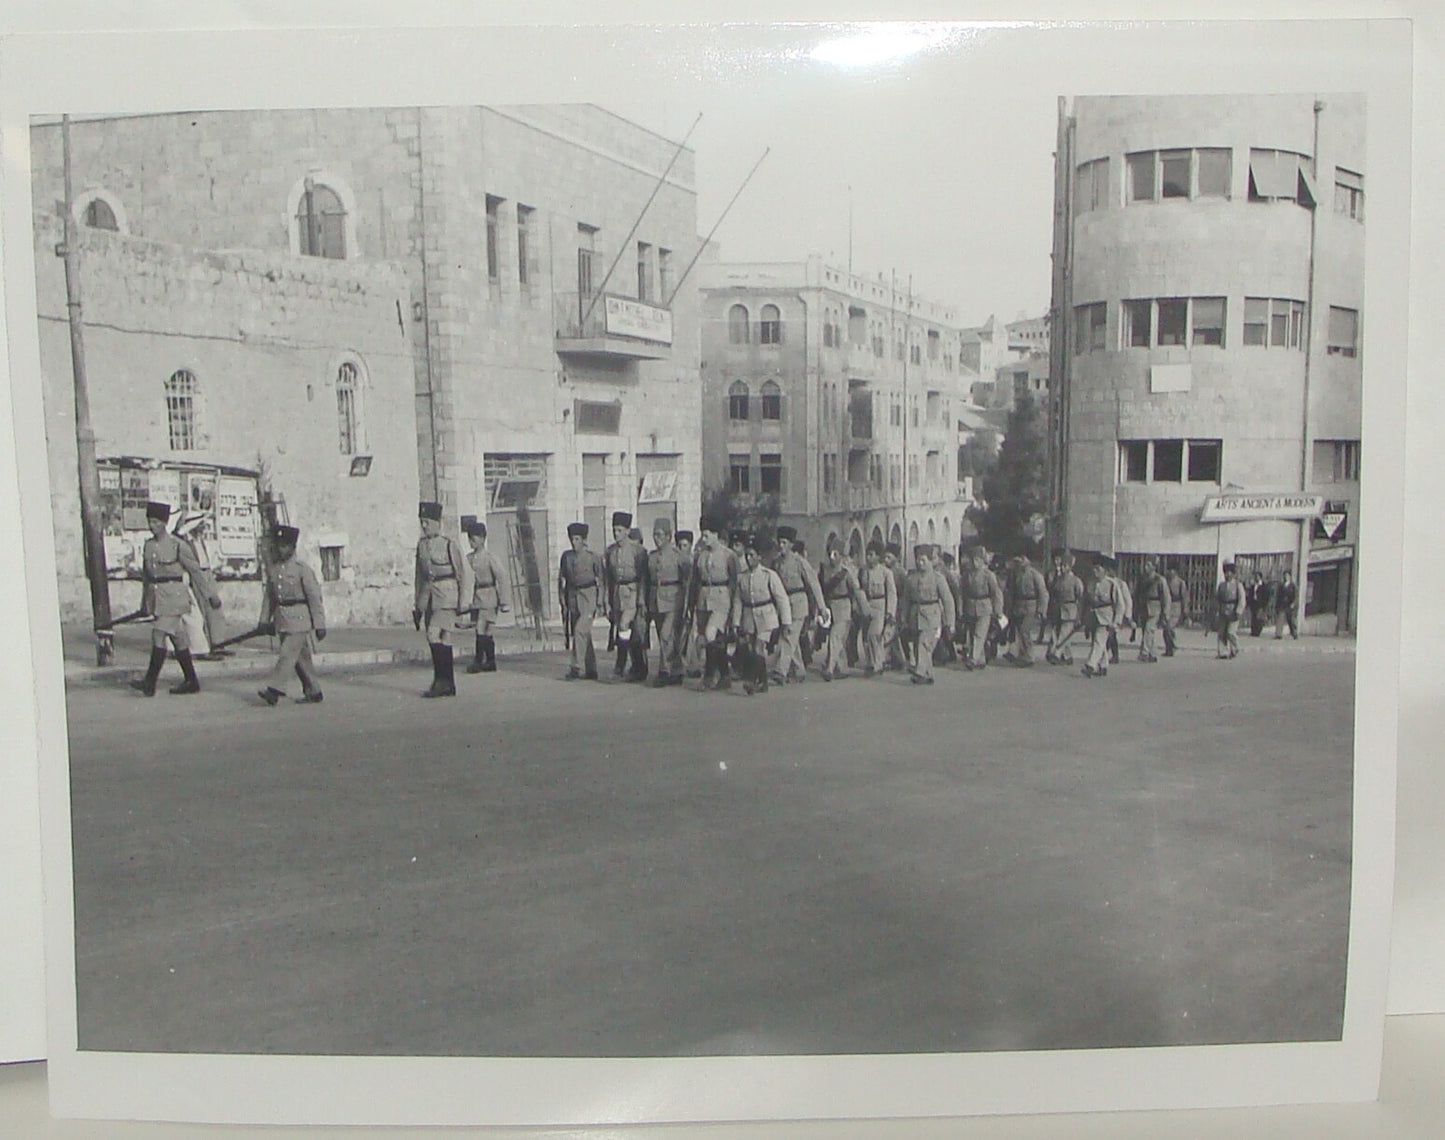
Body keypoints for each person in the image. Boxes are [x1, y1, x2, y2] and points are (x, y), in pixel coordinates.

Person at [132, 500, 220, 696]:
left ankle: (150, 682)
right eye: (149, 522)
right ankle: (191, 680)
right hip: (158, 598)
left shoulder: (177, 545)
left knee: (158, 634)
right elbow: (147, 578)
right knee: (178, 639)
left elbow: (195, 571)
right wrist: (145, 604)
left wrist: (210, 596)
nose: (151, 526)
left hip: (174, 597)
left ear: (164, 523)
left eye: (155, 522)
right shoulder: (148, 546)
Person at [257, 524, 327, 706]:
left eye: (284, 545)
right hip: (282, 619)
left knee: (287, 654)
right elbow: (270, 598)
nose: (280, 549)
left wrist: (320, 624)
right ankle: (314, 690)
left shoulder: (302, 570)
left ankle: (274, 690)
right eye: (278, 545)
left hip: (300, 620)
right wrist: (264, 620)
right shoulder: (275, 570)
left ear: (293, 547)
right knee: (300, 659)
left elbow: (314, 598)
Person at [414, 500, 472, 698]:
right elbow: (419, 578)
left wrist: (464, 602)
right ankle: (447, 682)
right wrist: (418, 607)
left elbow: (464, 572)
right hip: (429, 597)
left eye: (427, 522)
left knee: (433, 634)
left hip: (447, 596)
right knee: (444, 638)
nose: (424, 526)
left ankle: (441, 681)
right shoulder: (421, 546)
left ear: (437, 523)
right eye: (422, 522)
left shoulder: (449, 545)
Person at [731, 535, 792, 695]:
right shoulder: (742, 578)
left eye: (752, 555)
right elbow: (738, 600)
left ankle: (751, 681)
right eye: (747, 555)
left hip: (767, 617)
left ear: (759, 556)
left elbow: (782, 598)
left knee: (759, 647)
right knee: (753, 649)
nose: (749, 558)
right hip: (749, 617)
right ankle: (763, 682)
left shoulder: (768, 575)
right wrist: (736, 622)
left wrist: (786, 622)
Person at [769, 525, 827, 684]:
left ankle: (781, 671)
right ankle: (799, 670)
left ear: (791, 544)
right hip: (784, 604)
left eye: (784, 542)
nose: (781, 546)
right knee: (790, 637)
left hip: (799, 602)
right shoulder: (777, 563)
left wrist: (821, 607)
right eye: (779, 542)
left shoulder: (800, 562)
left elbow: (814, 583)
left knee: (788, 636)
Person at [691, 519, 738, 691]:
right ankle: (724, 675)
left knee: (712, 633)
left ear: (716, 535)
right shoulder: (700, 555)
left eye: (707, 535)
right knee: (711, 638)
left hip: (721, 598)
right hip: (703, 598)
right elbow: (695, 581)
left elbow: (734, 581)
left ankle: (709, 676)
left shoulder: (728, 555)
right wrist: (692, 603)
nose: (704, 539)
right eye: (703, 535)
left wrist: (734, 606)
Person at [604, 511, 650, 682]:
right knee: (628, 632)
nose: (616, 534)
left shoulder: (638, 551)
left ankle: (620, 665)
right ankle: (638, 667)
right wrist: (607, 599)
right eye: (614, 530)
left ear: (628, 531)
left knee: (625, 626)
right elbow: (607, 577)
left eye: (620, 530)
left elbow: (644, 577)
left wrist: (641, 598)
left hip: (633, 591)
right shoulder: (610, 552)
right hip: (617, 593)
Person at [461, 515, 509, 674]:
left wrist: (504, 601)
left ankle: (478, 661)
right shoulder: (468, 559)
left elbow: (502, 577)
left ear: (482, 539)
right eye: (469, 539)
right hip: (476, 597)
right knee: (485, 630)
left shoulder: (490, 558)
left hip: (489, 596)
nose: (471, 542)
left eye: (474, 538)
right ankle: (490, 661)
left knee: (481, 627)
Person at [646, 516, 690, 686]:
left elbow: (687, 580)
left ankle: (664, 670)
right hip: (656, 598)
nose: (657, 539)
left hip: (674, 598)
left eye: (660, 535)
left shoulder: (678, 556)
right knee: (665, 636)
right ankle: (677, 670)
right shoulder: (651, 556)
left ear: (669, 536)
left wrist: (686, 603)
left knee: (667, 634)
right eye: (655, 535)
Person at [903, 544, 955, 685]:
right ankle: (927, 673)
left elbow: (948, 600)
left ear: (930, 561)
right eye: (918, 560)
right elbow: (906, 600)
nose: (920, 564)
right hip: (915, 614)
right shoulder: (911, 579)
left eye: (923, 560)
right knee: (917, 645)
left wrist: (950, 622)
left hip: (931, 615)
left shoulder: (938, 578)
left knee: (924, 643)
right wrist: (903, 618)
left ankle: (920, 672)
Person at [558, 521, 603, 680]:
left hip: (588, 596)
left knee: (579, 630)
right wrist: (562, 600)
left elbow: (602, 580)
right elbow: (562, 579)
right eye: (572, 539)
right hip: (573, 597)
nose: (574, 542)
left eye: (577, 539)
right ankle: (591, 669)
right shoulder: (566, 557)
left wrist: (601, 601)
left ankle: (576, 667)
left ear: (584, 540)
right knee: (584, 633)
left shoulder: (593, 557)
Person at [819, 536, 865, 681]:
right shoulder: (826, 571)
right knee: (838, 640)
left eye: (835, 554)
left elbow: (857, 591)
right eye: (831, 554)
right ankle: (842, 668)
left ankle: (830, 669)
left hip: (844, 607)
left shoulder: (847, 573)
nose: (832, 557)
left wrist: (864, 609)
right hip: (831, 607)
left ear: (841, 556)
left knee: (835, 637)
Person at [959, 544, 1004, 671]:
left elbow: (996, 593)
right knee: (973, 633)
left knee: (979, 634)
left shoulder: (988, 575)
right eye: (973, 559)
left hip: (985, 607)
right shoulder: (967, 574)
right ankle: (981, 659)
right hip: (970, 606)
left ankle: (972, 659)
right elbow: (962, 592)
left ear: (982, 560)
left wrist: (998, 610)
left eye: (977, 560)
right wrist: (961, 609)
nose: (975, 562)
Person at [858, 541, 897, 676]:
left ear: (878, 557)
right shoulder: (863, 571)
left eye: (871, 555)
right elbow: (860, 589)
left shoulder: (886, 572)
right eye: (867, 555)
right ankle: (870, 663)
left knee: (874, 635)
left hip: (880, 605)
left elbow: (891, 593)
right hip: (866, 605)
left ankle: (877, 664)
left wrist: (890, 612)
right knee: (866, 637)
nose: (868, 558)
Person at [1005, 551, 1049, 667]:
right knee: (1020, 632)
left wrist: (1041, 610)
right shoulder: (1015, 575)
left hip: (1031, 606)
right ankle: (1022, 654)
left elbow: (1043, 594)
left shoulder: (1035, 575)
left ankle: (1029, 656)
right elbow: (1012, 592)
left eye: (1022, 560)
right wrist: (1009, 609)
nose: (1020, 563)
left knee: (1025, 630)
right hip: (1019, 606)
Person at [1082, 558, 1124, 678]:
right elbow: (1085, 601)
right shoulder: (1090, 583)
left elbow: (1119, 604)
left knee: (1098, 641)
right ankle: (1103, 665)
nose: (1095, 571)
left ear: (1104, 571)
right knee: (1098, 641)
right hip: (1093, 615)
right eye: (1094, 569)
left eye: (1098, 569)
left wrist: (1117, 621)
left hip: (1106, 617)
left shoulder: (1112, 584)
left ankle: (1090, 665)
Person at [1046, 551, 1084, 666]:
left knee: (1064, 634)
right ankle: (1068, 656)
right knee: (1056, 632)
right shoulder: (1057, 579)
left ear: (1069, 567)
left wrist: (1079, 614)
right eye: (1061, 565)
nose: (1062, 568)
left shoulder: (1076, 581)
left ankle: (1056, 654)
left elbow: (1080, 597)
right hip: (1058, 608)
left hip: (1070, 609)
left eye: (1065, 566)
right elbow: (1052, 592)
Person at [1136, 557, 1168, 663]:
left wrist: (1165, 613)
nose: (1146, 567)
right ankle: (1153, 654)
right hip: (1144, 606)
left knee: (1149, 629)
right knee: (1147, 630)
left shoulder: (1160, 579)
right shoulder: (1142, 578)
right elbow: (1137, 593)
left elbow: (1165, 597)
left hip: (1155, 607)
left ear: (1154, 567)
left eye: (1149, 565)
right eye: (1145, 565)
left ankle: (1144, 653)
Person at [1215, 561, 1247, 659]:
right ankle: (1223, 652)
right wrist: (1217, 610)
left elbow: (1242, 599)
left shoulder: (1238, 585)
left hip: (1233, 611)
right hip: (1223, 610)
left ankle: (1235, 647)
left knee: (1230, 632)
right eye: (1226, 572)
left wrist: (1239, 611)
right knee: (1222, 633)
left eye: (1229, 572)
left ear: (1233, 574)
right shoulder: (1222, 585)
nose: (1227, 574)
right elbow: (1218, 598)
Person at [1162, 562, 1189, 657]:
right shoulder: (1164, 581)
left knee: (1169, 627)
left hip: (1176, 606)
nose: (1170, 572)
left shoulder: (1180, 583)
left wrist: (1185, 610)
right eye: (1168, 570)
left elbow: (1184, 597)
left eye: (1172, 570)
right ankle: (1169, 648)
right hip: (1167, 606)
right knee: (1166, 629)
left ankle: (1172, 646)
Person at [1274, 570, 1300, 639]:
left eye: (1287, 576)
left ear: (1290, 577)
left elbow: (1296, 596)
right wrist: (1277, 605)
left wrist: (1293, 603)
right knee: (1280, 619)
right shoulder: (1281, 585)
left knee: (1291, 621)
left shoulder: (1293, 586)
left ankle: (1294, 633)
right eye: (1285, 576)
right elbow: (1278, 596)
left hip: (1290, 605)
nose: (1286, 577)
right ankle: (1278, 634)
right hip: (1282, 605)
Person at [1247, 570, 1272, 638]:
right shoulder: (1254, 586)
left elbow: (1266, 596)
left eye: (1257, 577)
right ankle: (1253, 631)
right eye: (1255, 577)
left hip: (1260, 603)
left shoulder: (1263, 586)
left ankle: (1257, 631)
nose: (1256, 578)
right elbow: (1250, 594)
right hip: (1254, 603)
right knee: (1253, 617)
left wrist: (1264, 605)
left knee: (1259, 617)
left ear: (1260, 577)